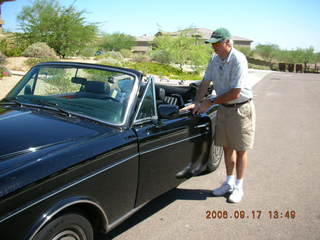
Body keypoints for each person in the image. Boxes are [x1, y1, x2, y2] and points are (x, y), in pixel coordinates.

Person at [181, 27, 255, 203]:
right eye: (211, 43)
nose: (213, 47)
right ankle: (228, 183)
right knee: (226, 147)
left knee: (240, 149)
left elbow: (236, 92)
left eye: (216, 43)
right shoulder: (214, 58)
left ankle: (239, 186)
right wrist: (198, 102)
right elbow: (205, 83)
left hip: (240, 108)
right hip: (224, 107)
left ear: (228, 42)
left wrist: (210, 102)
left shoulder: (238, 59)